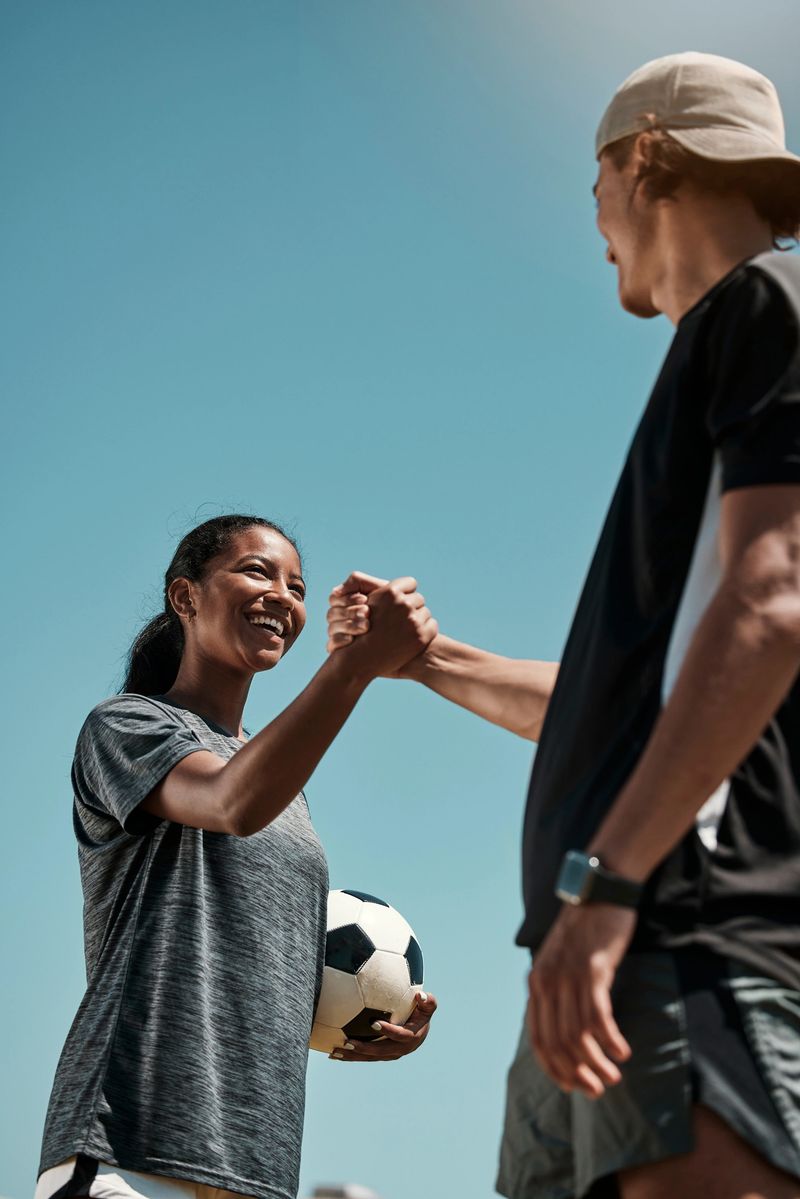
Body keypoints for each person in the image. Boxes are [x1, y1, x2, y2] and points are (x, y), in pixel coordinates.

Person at [328, 52, 800, 1199]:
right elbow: (632, 707)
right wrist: (428, 659)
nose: (590, 216)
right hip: (604, 935)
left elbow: (772, 602)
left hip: (680, 917)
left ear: (642, 158)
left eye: (592, 178)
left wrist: (610, 883)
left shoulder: (766, 302)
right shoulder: (713, 346)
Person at [36, 513, 439, 1199]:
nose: (282, 594)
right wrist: (352, 669)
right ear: (185, 596)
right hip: (130, 1145)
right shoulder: (128, 725)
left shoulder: (289, 789)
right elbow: (230, 802)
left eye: (298, 584)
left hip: (254, 1162)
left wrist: (365, 1019)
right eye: (257, 570)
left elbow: (256, 960)